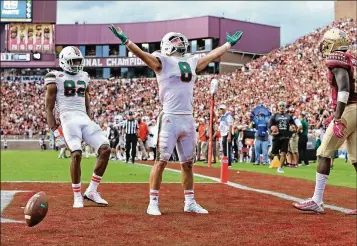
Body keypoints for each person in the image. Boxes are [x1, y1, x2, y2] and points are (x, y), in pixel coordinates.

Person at [109, 24, 243, 215]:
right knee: (161, 161)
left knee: (188, 163)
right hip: (170, 117)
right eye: (175, 40)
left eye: (180, 40)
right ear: (166, 45)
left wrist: (228, 45)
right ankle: (153, 202)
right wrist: (126, 41)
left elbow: (210, 56)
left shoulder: (191, 61)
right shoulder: (161, 61)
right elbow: (142, 55)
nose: (180, 42)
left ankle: (190, 201)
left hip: (188, 118)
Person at [293, 28, 357, 215]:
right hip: (355, 109)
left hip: (349, 109)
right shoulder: (352, 58)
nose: (325, 46)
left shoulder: (337, 58)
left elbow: (344, 89)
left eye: (328, 42)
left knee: (323, 153)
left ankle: (317, 200)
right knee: (355, 159)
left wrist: (338, 117)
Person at [45, 46, 111, 208]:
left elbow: (87, 100)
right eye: (72, 61)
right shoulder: (54, 77)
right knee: (76, 154)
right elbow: (49, 108)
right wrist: (55, 131)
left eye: (78, 61)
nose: (75, 64)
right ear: (64, 61)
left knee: (105, 149)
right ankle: (77, 196)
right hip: (68, 118)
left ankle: (92, 191)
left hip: (83, 118)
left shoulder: (85, 76)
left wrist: (90, 118)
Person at [268, 101, 295, 173]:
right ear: (278, 107)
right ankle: (270, 155)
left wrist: (292, 131)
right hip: (276, 137)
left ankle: (279, 168)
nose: (282, 107)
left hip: (285, 137)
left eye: (283, 106)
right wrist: (271, 133)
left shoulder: (288, 116)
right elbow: (270, 126)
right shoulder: (274, 116)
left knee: (283, 153)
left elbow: (293, 125)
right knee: (273, 153)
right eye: (280, 106)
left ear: (285, 107)